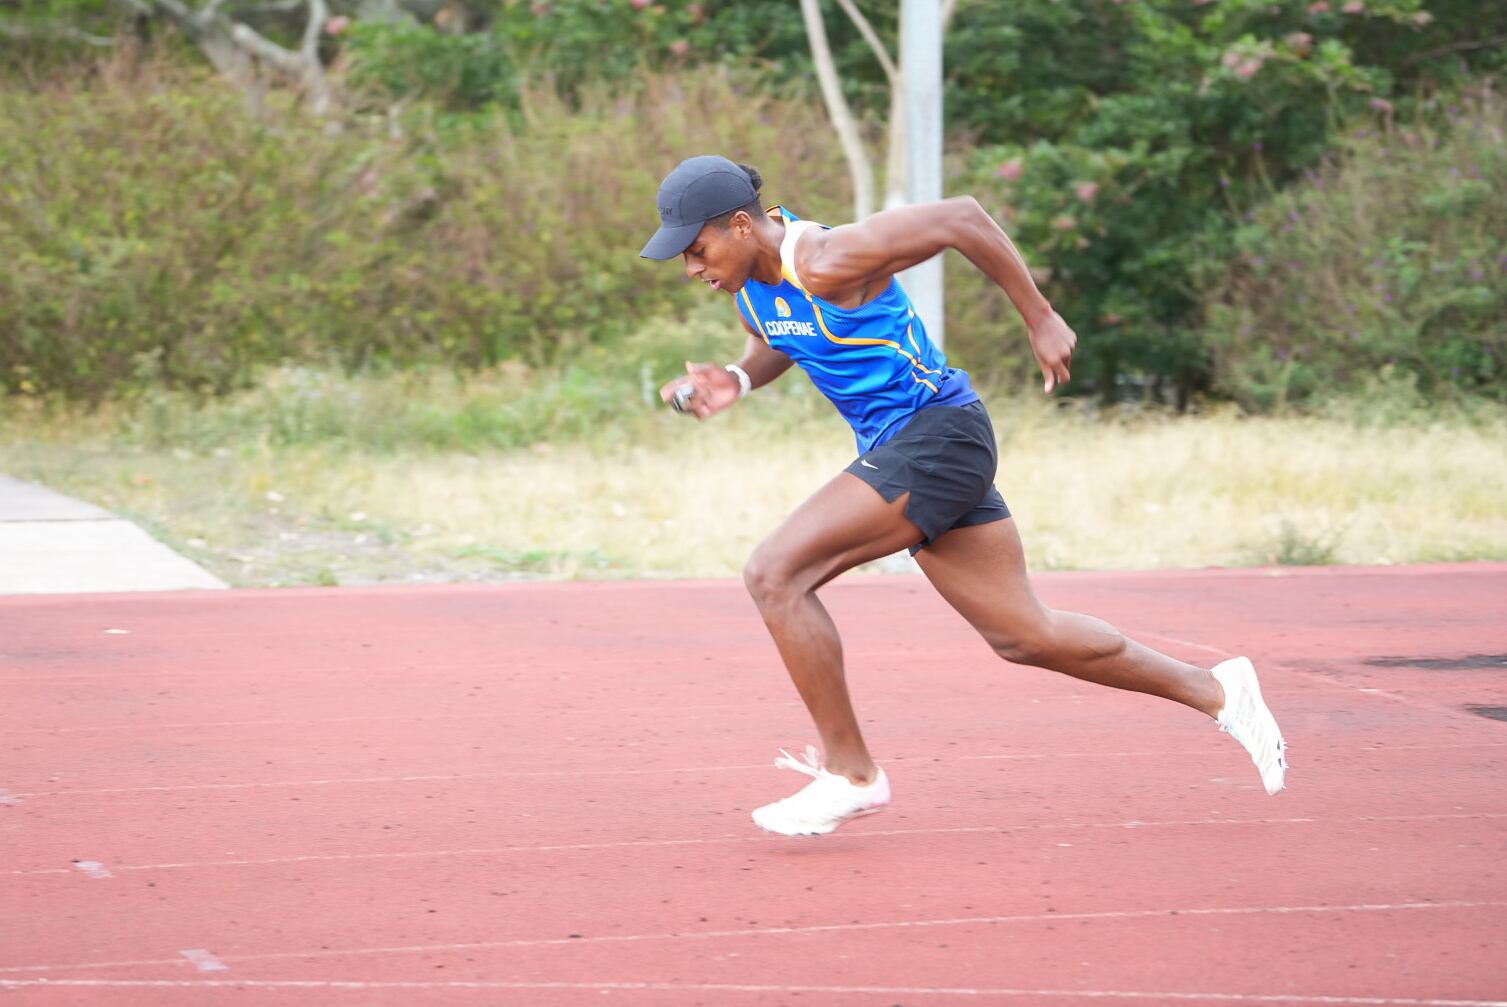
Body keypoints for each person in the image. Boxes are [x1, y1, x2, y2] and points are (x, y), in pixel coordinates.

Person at [640, 154, 1287, 838]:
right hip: (920, 446)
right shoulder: (750, 284)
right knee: (1023, 634)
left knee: (775, 574)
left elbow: (961, 217)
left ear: (741, 226)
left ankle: (851, 773)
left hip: (936, 436)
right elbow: (786, 334)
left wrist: (1039, 317)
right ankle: (1219, 691)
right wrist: (736, 380)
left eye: (696, 249)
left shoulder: (828, 256)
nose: (691, 269)